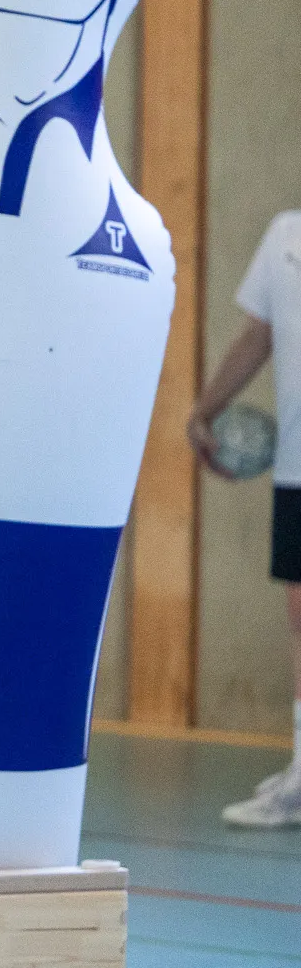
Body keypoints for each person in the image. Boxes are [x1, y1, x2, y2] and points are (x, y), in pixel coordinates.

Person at [190, 209, 301, 829]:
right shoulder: (284, 233)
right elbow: (257, 336)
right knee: (300, 613)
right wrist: (205, 410)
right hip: (297, 466)